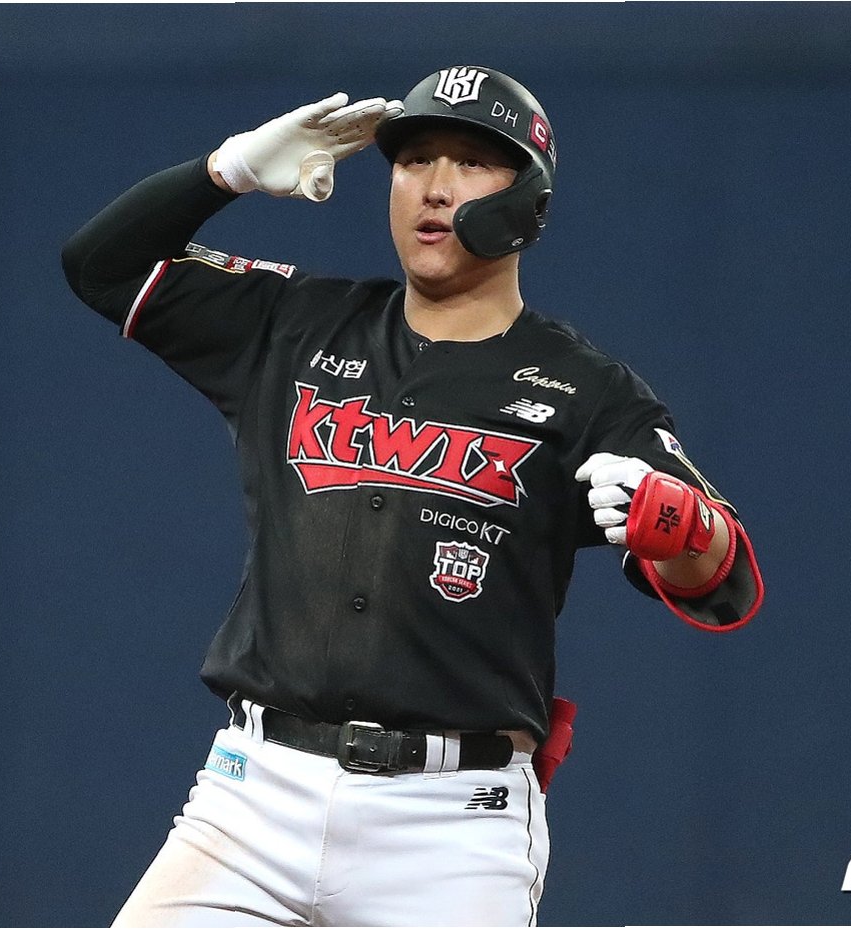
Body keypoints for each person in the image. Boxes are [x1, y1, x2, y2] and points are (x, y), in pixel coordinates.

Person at [62, 65, 763, 928]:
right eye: (413, 158)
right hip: (252, 798)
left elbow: (724, 578)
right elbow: (98, 266)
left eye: (470, 162)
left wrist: (681, 528)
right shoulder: (292, 322)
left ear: (529, 202)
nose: (433, 186)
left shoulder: (587, 391)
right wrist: (227, 170)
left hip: (451, 825)